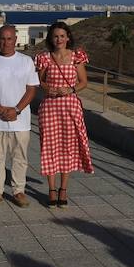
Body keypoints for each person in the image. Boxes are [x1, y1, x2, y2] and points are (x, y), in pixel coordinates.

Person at [0, 24, 40, 207]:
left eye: (9, 39)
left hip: (20, 121)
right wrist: (2, 110)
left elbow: (31, 89)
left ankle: (19, 191)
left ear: (15, 40)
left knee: (20, 157)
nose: (6, 42)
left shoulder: (26, 61)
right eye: (2, 39)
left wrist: (16, 110)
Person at [35, 21, 93, 207]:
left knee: (68, 147)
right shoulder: (45, 58)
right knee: (49, 147)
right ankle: (52, 189)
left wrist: (70, 90)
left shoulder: (77, 57)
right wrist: (48, 88)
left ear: (68, 38)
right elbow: (40, 81)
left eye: (62, 36)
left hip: (70, 107)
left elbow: (83, 82)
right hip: (50, 107)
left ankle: (63, 189)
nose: (59, 39)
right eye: (55, 36)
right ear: (51, 39)